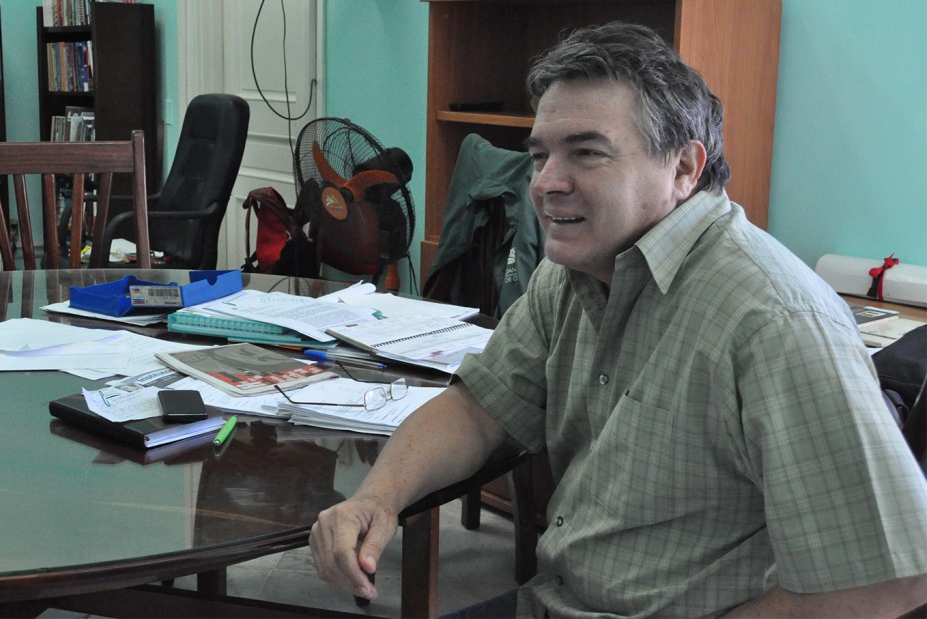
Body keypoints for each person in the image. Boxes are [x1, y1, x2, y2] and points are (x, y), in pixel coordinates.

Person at [309, 22, 927, 618]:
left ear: (684, 168)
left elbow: (888, 582)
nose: (547, 183)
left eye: (587, 153)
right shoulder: (574, 270)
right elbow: (479, 407)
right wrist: (377, 498)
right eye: (541, 154)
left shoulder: (773, 321)